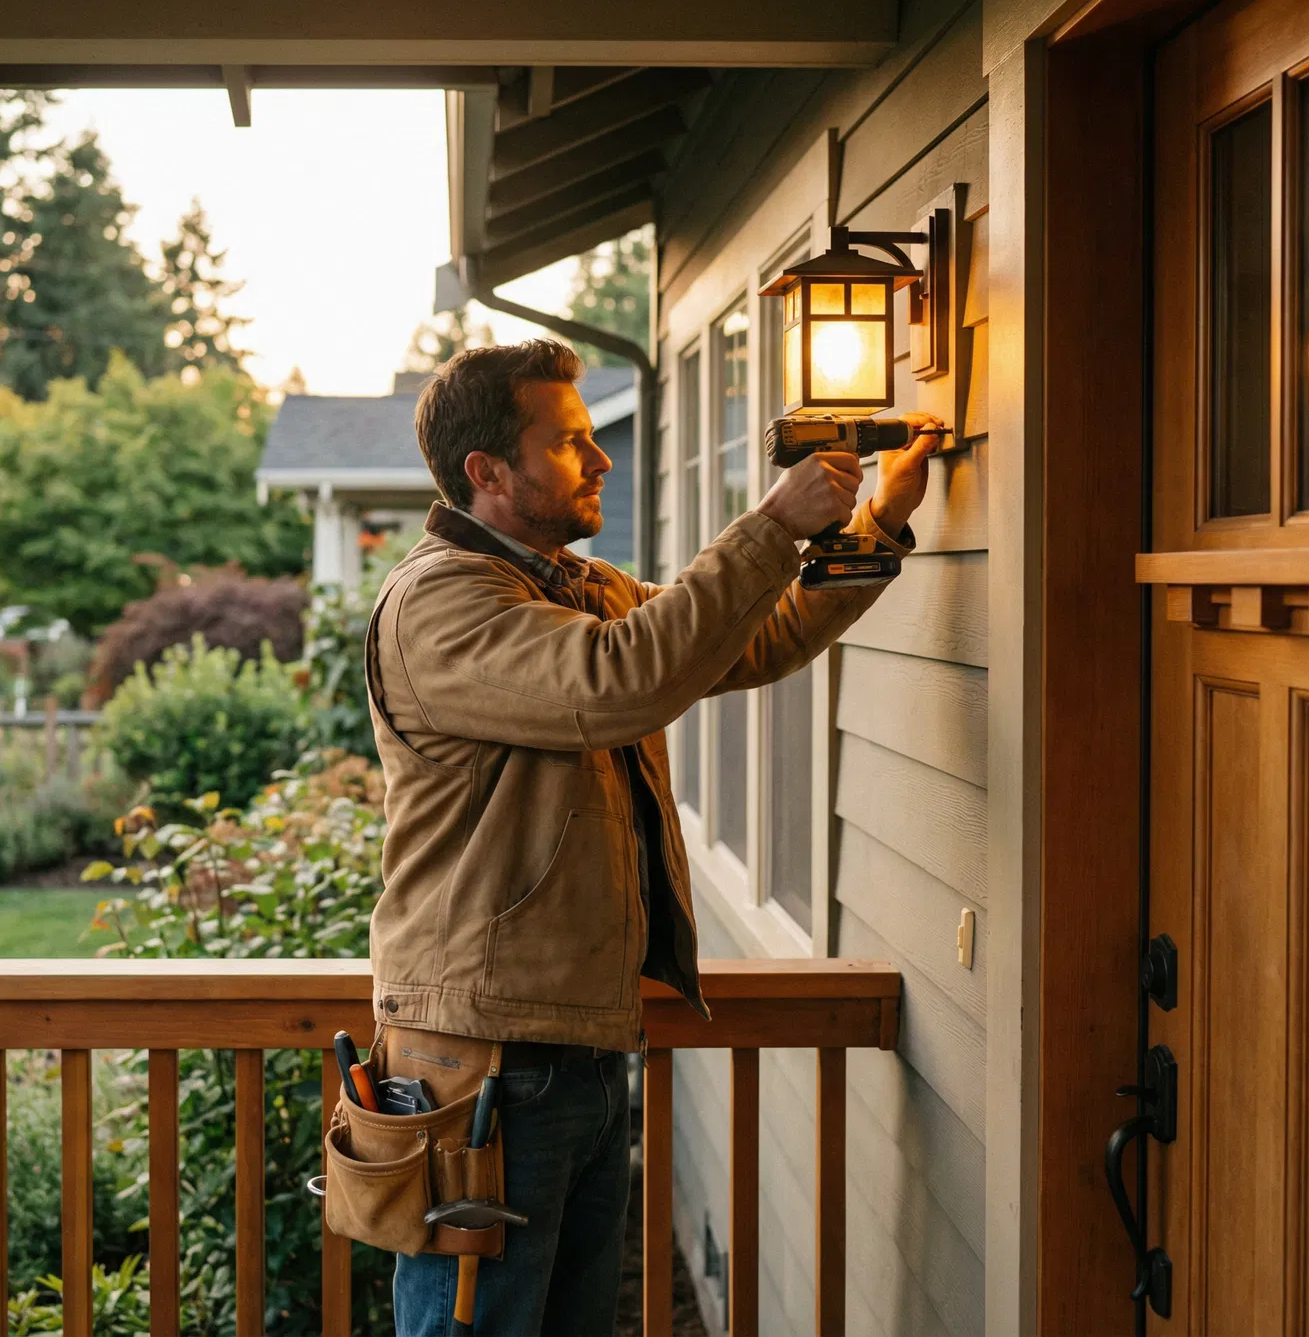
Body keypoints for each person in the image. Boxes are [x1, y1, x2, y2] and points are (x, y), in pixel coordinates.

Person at [367, 339, 938, 1336]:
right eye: (570, 442)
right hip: (486, 1060)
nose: (602, 460)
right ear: (487, 474)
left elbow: (742, 640)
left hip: (572, 1042)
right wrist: (769, 526)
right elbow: (623, 681)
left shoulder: (567, 586)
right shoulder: (442, 604)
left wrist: (876, 521)